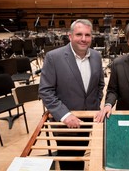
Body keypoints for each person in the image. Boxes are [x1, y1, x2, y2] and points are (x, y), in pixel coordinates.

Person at [39, 19, 105, 170]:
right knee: (69, 162)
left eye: (87, 35)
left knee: (81, 154)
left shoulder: (96, 56)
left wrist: (94, 104)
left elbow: (100, 85)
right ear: (70, 36)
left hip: (88, 120)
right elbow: (45, 90)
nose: (83, 39)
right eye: (79, 34)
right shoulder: (53, 57)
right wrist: (64, 115)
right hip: (64, 124)